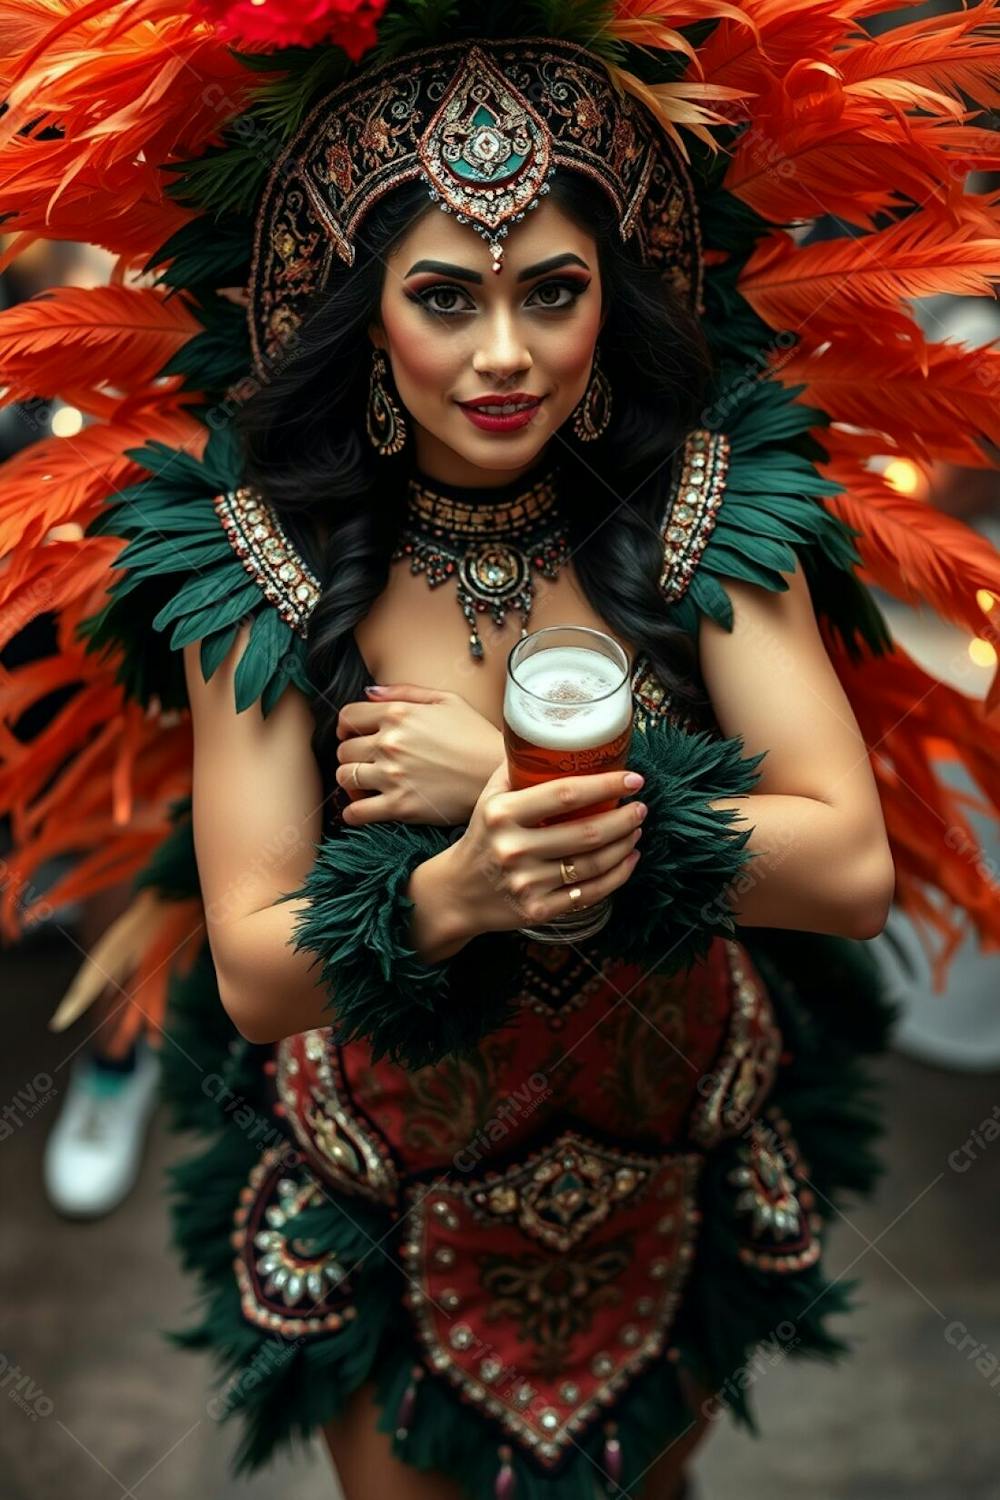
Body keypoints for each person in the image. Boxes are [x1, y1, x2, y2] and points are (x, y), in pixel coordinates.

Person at [1, 6, 999, 1500]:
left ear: (612, 296)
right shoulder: (261, 547)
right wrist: (457, 890)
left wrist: (513, 787)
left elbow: (846, 866)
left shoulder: (704, 494)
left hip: (663, 1168)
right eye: (445, 299)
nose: (506, 355)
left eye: (552, 292)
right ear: (362, 307)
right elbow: (263, 970)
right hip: (390, 1191)